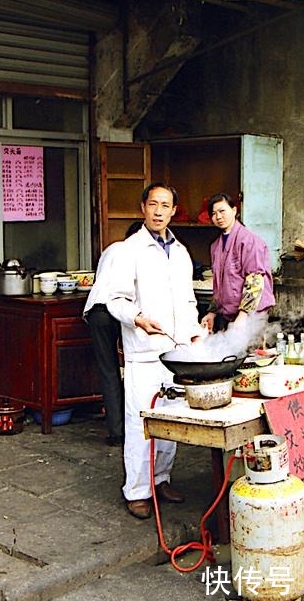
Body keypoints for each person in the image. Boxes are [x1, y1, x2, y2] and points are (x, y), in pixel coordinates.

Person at [107, 183, 202, 520]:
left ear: (174, 210)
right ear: (142, 207)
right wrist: (136, 319)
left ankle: (161, 479)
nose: (159, 211)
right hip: (144, 351)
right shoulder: (127, 251)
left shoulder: (180, 252)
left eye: (166, 206)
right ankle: (137, 491)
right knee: (141, 422)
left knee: (170, 421)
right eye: (153, 204)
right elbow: (114, 300)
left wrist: (193, 334)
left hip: (175, 352)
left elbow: (189, 300)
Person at [83, 221, 142, 447]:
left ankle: (116, 431)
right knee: (135, 367)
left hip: (98, 310)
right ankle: (135, 425)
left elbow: (101, 280)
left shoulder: (111, 249)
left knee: (108, 370)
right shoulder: (139, 252)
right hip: (124, 311)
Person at [201, 193, 275, 334]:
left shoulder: (249, 241)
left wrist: (243, 315)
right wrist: (212, 313)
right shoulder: (215, 246)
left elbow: (255, 280)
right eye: (214, 213)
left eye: (222, 211)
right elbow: (219, 285)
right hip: (228, 316)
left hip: (251, 317)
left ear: (234, 210)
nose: (218, 217)